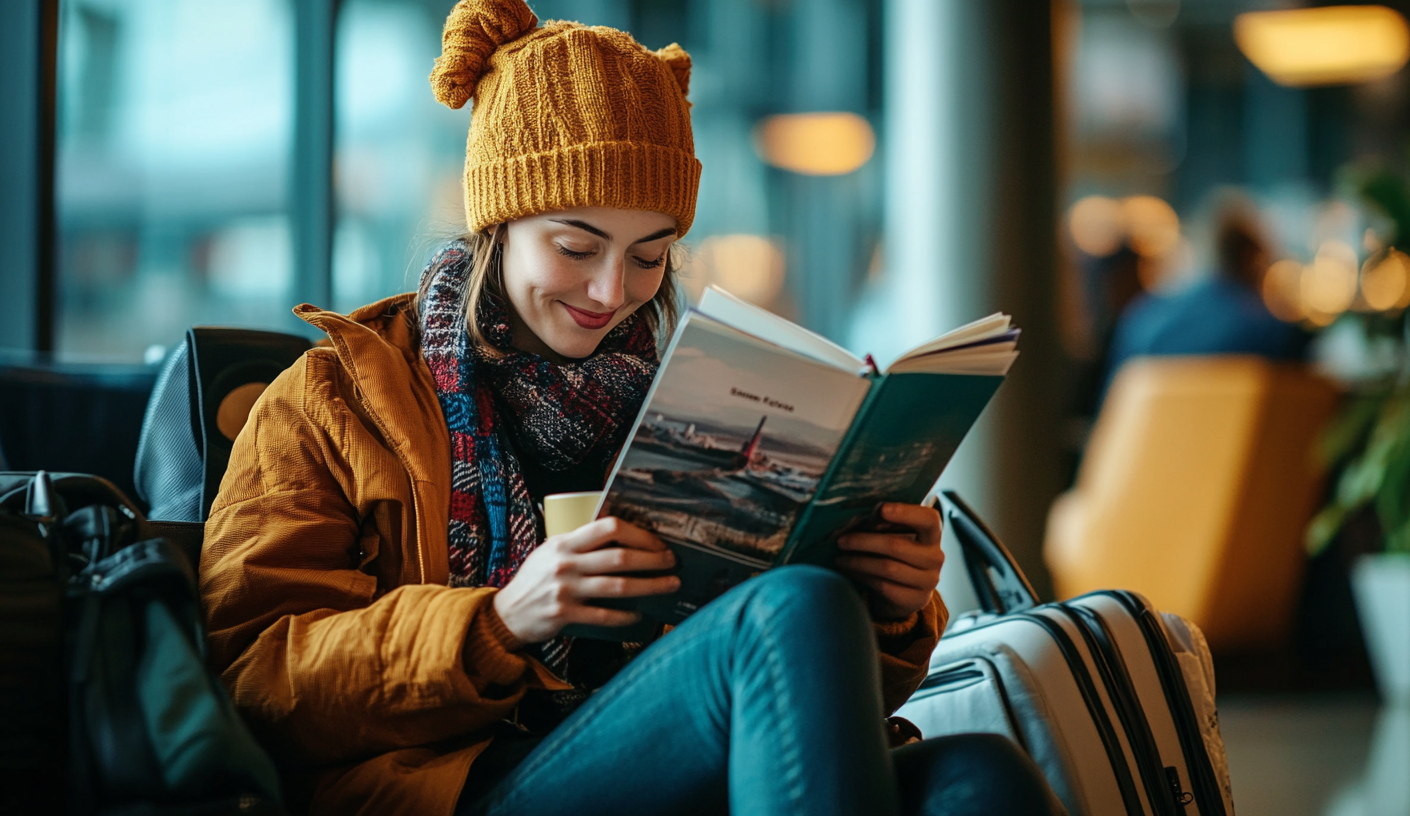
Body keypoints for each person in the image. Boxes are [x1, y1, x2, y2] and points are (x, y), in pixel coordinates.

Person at [199, 3, 1060, 815]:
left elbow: (802, 708)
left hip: (679, 756)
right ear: (494, 226)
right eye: (577, 246)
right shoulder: (334, 399)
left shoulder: (696, 390)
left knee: (977, 778)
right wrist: (499, 622)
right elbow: (258, 678)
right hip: (464, 779)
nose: (613, 291)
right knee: (788, 613)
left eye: (650, 256)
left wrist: (892, 606)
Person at [1100, 197, 1308, 396]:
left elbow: (1112, 405)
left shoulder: (1143, 319)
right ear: (1253, 258)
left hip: (1156, 432)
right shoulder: (1270, 331)